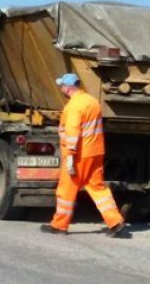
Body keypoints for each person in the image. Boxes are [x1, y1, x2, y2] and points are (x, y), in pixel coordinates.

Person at [41, 73, 127, 237]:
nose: (61, 89)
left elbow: (73, 131)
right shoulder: (92, 102)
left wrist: (71, 155)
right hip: (96, 152)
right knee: (98, 188)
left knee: (66, 189)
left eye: (62, 86)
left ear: (68, 87)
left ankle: (59, 225)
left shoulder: (74, 106)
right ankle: (115, 222)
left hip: (79, 154)